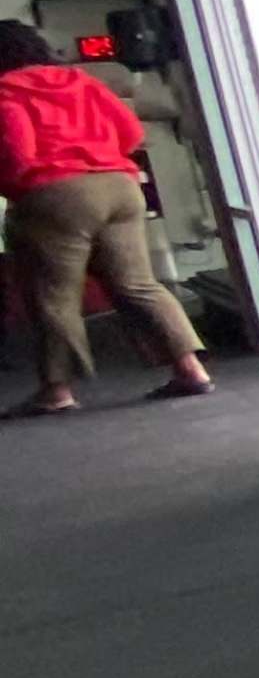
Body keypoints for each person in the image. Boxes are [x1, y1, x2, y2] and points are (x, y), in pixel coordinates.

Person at [0, 20, 211, 416]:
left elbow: (18, 152)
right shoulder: (82, 83)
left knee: (54, 295)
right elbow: (131, 133)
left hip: (56, 193)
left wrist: (18, 186)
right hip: (120, 187)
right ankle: (191, 369)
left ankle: (57, 391)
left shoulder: (6, 92)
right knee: (138, 284)